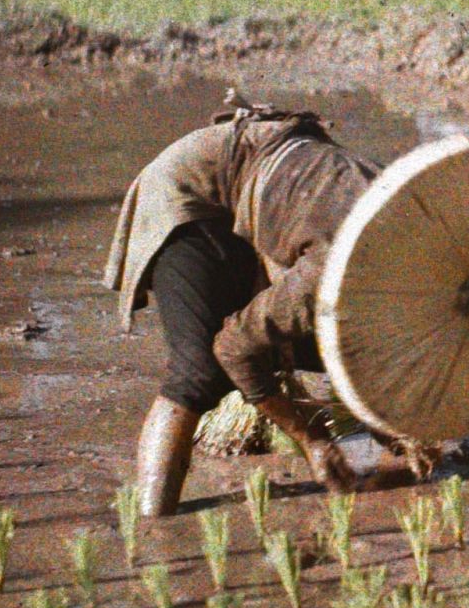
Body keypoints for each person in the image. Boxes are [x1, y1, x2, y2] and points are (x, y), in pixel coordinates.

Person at [105, 92, 413, 515]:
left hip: (276, 174)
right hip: (196, 185)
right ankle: (151, 525)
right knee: (199, 372)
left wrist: (411, 442)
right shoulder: (332, 268)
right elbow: (234, 348)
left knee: (352, 345)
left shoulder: (416, 233)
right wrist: (313, 441)